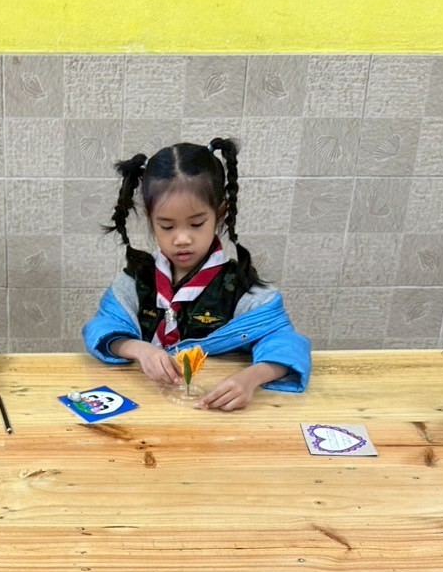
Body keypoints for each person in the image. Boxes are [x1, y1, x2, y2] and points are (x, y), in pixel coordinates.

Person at [83, 138, 310, 410]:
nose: (182, 239)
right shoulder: (136, 280)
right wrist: (137, 348)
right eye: (167, 226)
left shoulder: (241, 288)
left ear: (220, 213)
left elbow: (286, 342)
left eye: (196, 224)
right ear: (151, 219)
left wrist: (251, 378)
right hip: (144, 405)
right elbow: (101, 327)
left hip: (213, 408)